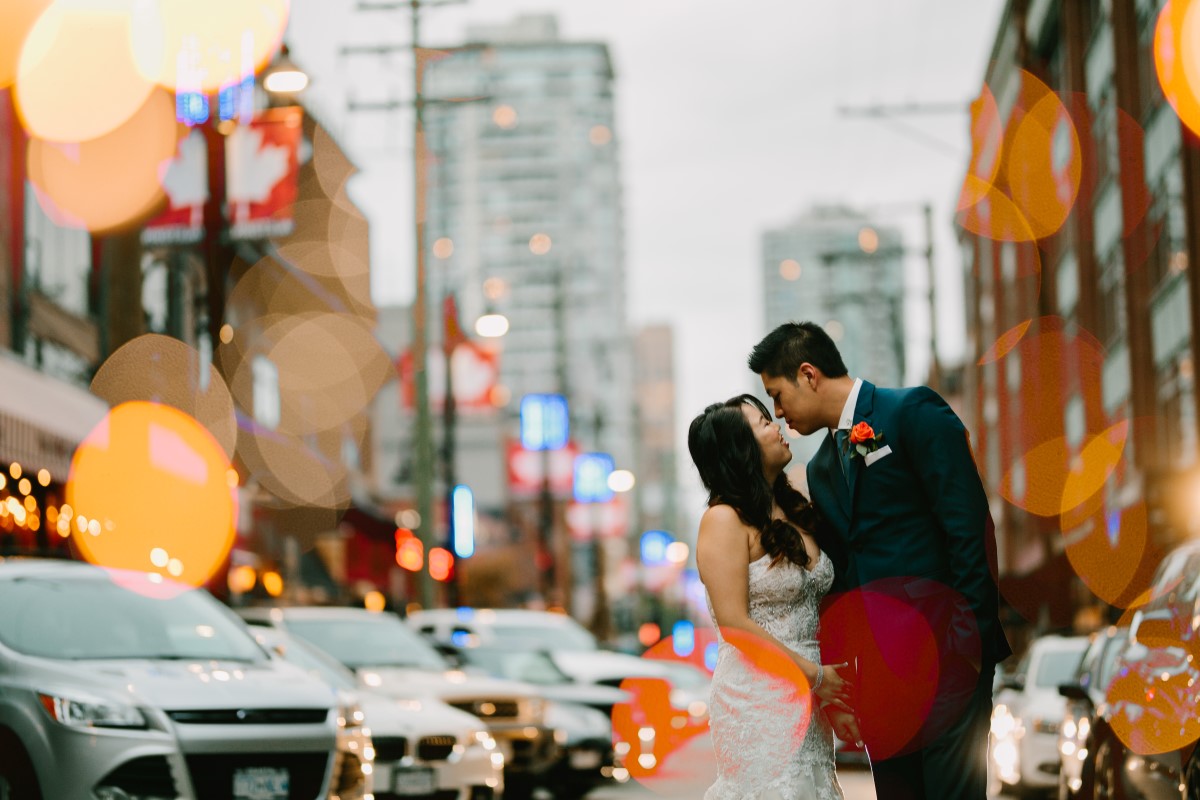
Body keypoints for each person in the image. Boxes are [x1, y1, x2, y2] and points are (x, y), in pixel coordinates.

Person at [747, 321, 1012, 800]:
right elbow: (843, 577)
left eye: (778, 395)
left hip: (948, 656)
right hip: (882, 682)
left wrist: (967, 641)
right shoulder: (824, 468)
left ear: (809, 374)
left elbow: (969, 527)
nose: (779, 412)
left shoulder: (912, 411)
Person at [689, 393, 857, 800]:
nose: (777, 426)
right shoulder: (722, 520)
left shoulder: (792, 508)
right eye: (763, 422)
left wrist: (828, 692)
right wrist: (815, 676)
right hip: (758, 698)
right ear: (740, 449)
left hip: (810, 695)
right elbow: (733, 624)